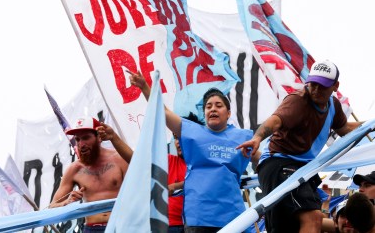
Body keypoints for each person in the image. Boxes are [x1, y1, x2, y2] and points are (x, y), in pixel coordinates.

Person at [237, 60, 362, 233]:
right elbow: (275, 121)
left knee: (290, 227)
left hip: (303, 170)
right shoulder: (298, 101)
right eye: (313, 84)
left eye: (323, 86)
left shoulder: (333, 106)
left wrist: (371, 122)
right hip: (279, 165)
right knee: (313, 218)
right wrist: (257, 138)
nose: (316, 90)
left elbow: (345, 129)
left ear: (335, 86)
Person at [129, 71, 260, 233]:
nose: (213, 109)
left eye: (218, 105)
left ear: (228, 113)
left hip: (232, 215)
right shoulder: (191, 131)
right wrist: (144, 87)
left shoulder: (242, 137)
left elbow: (263, 161)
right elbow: (162, 111)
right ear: (204, 113)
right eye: (208, 106)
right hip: (199, 216)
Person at [50, 117, 133, 233]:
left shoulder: (119, 159)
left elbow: (140, 187)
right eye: (78, 139)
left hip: (122, 225)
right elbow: (52, 206)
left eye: (86, 138)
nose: (81, 144)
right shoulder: (74, 169)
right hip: (92, 228)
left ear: (99, 137)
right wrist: (66, 202)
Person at [168, 113, 204, 233]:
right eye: (175, 137)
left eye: (182, 137)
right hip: (168, 226)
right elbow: (134, 159)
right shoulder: (167, 160)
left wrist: (175, 186)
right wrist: (114, 138)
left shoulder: (207, 164)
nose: (177, 142)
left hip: (200, 225)